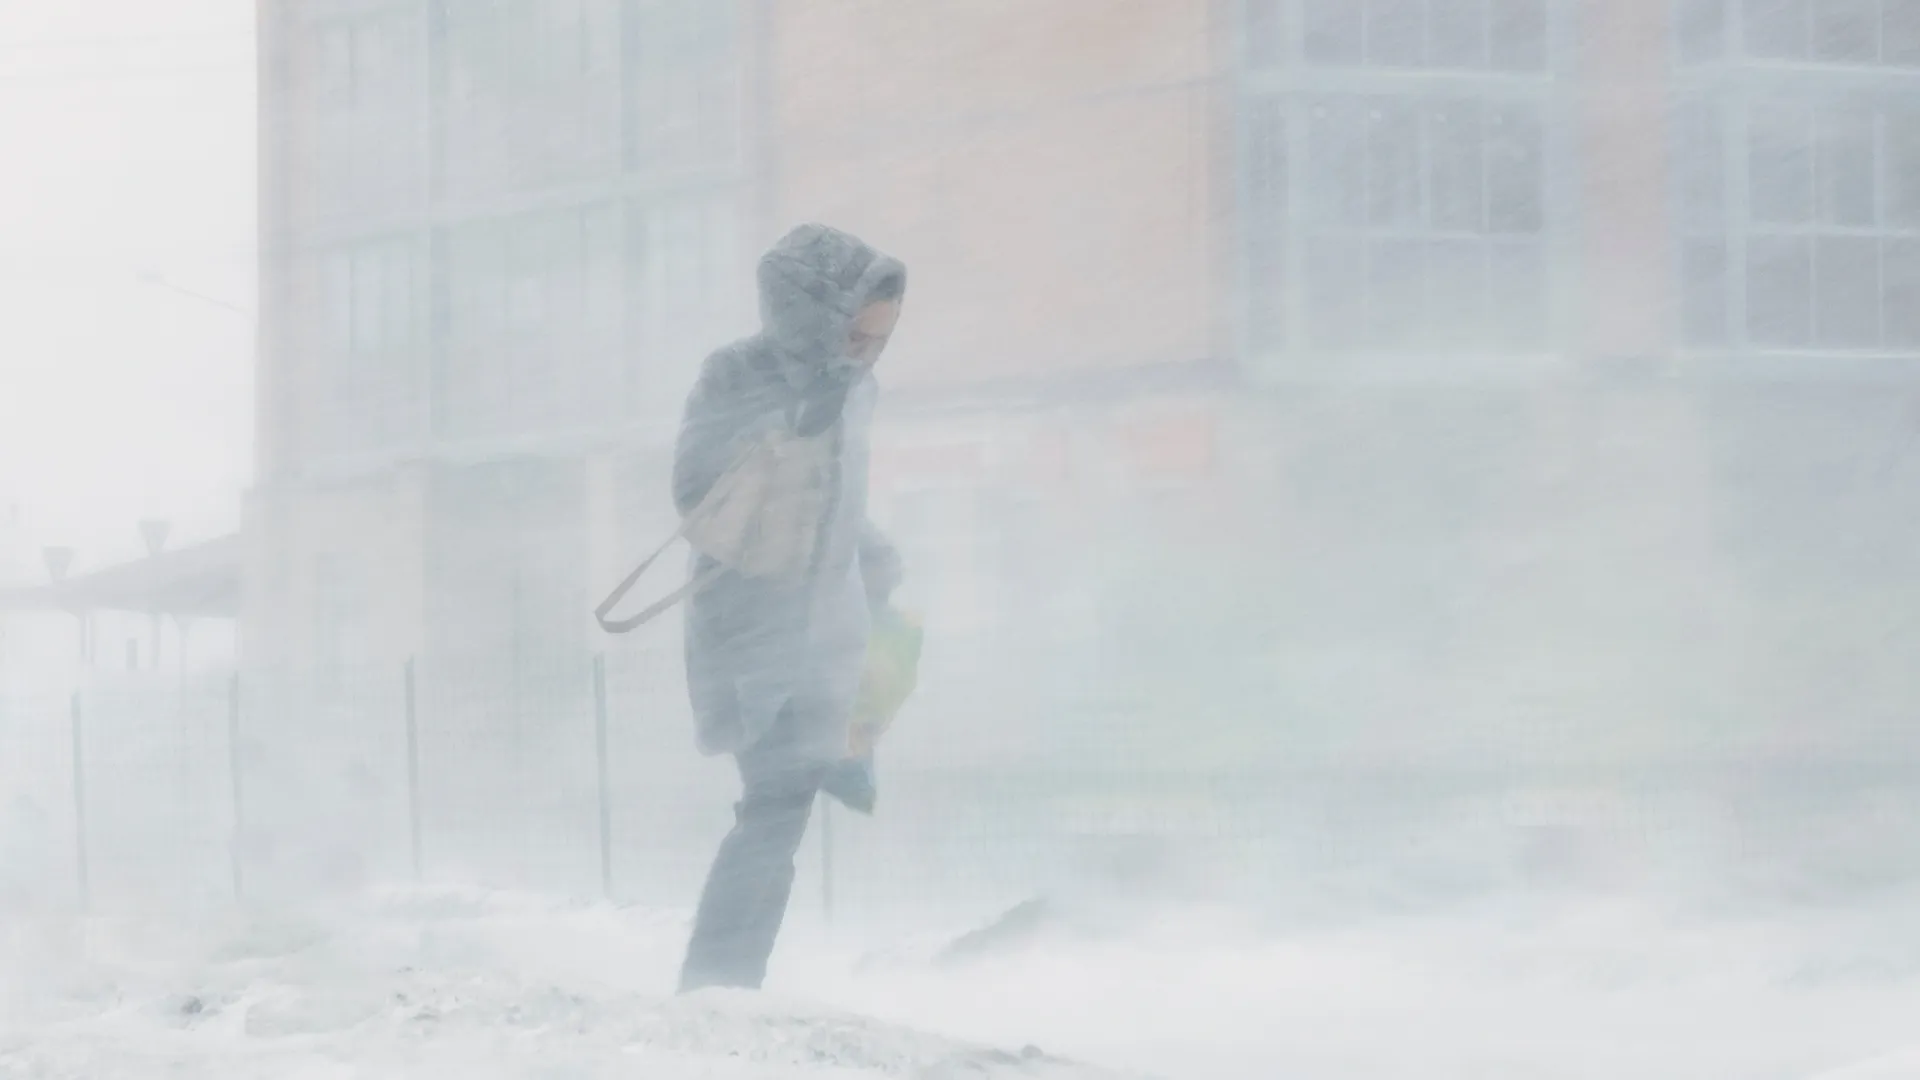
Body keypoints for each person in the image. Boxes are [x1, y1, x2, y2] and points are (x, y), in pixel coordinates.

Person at [673, 223, 906, 993]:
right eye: (856, 334)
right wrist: (788, 421)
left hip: (825, 633)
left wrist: (870, 552)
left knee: (782, 808)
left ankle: (725, 983)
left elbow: (835, 502)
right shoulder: (735, 373)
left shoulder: (856, 389)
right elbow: (698, 495)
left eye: (881, 340)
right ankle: (717, 984)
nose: (868, 352)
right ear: (815, 313)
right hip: (749, 636)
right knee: (774, 804)